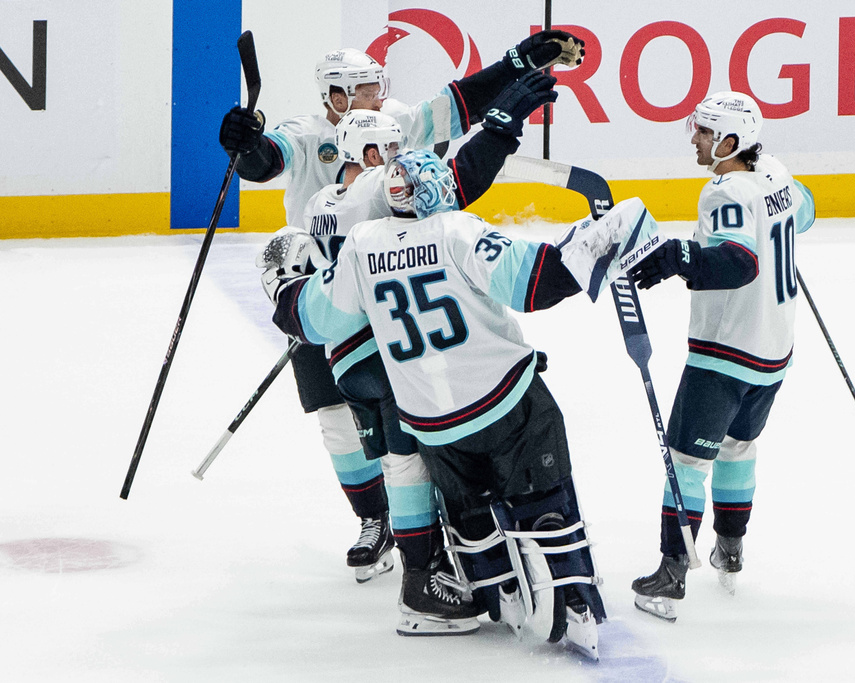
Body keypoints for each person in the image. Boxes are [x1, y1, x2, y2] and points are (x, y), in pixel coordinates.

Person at [258, 149, 664, 654]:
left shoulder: (362, 245)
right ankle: (576, 594)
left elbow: (313, 320)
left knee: (468, 509)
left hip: (432, 425)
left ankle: (497, 588)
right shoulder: (457, 230)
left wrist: (284, 288)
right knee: (546, 496)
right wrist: (602, 238)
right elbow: (535, 282)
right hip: (504, 400)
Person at [218, 33, 584, 582]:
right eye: (365, 89)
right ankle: (380, 523)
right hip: (334, 292)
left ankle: (430, 541)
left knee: (404, 434)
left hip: (369, 293)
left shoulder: (388, 124)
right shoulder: (308, 135)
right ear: (335, 97)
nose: (377, 97)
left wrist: (516, 63)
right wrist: (246, 145)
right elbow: (267, 160)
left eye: (377, 86)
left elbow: (458, 102)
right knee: (342, 426)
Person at [626, 91, 816, 621]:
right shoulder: (775, 172)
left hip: (725, 353)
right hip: (774, 350)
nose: (695, 139)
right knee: (738, 447)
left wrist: (677, 256)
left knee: (687, 461)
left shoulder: (724, 191)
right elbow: (807, 211)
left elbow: (737, 263)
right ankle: (730, 549)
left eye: (705, 133)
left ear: (730, 141)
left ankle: (671, 575)